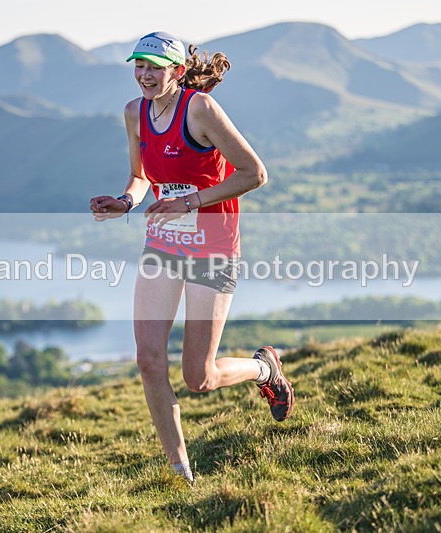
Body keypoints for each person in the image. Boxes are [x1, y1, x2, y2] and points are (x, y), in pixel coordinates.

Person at [89, 31, 293, 483]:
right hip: (164, 243)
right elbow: (140, 176)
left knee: (199, 377)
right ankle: (181, 472)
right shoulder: (134, 112)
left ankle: (265, 368)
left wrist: (190, 201)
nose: (143, 74)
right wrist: (125, 201)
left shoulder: (198, 109)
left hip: (214, 246)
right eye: (138, 65)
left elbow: (254, 173)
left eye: (154, 67)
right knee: (148, 360)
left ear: (177, 72)